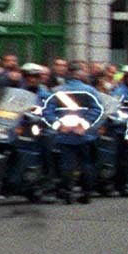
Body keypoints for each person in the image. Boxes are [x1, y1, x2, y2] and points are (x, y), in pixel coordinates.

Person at [41, 60, 104, 203]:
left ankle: (67, 193)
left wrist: (58, 125)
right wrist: (84, 124)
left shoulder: (57, 91)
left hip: (65, 134)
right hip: (85, 135)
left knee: (67, 165)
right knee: (86, 164)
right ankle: (86, 193)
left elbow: (47, 112)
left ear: (68, 73)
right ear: (80, 74)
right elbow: (98, 109)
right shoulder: (90, 90)